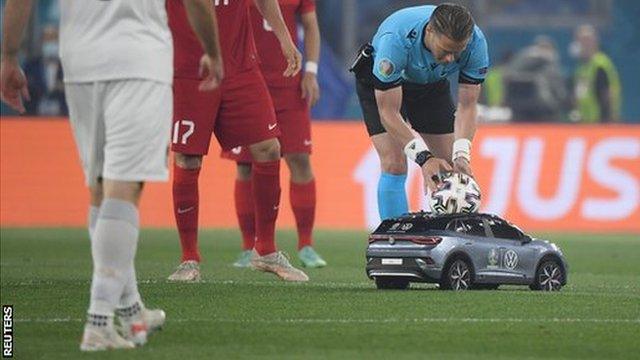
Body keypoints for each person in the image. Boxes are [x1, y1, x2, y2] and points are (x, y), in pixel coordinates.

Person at [1, 0, 222, 351]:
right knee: (123, 189)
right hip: (139, 58)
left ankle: (132, 311)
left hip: (80, 61)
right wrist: (213, 51)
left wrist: (9, 55)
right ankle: (99, 320)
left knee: (100, 190)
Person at [166, 0, 309, 282]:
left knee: (269, 148)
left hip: (241, 67)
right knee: (188, 157)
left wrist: (284, 38)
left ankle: (265, 249)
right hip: (189, 69)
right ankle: (189, 258)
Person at [351, 3, 489, 220]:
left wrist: (462, 154)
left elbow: (468, 105)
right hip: (381, 86)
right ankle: (393, 242)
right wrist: (424, 158)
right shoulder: (394, 42)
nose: (450, 59)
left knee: (449, 168)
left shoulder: (476, 43)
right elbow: (389, 113)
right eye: (445, 50)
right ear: (430, 31)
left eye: (457, 51)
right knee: (394, 164)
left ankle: (451, 243)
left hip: (430, 84)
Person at [220, 0, 326, 269]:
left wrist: (311, 72)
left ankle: (306, 245)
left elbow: (311, 26)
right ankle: (249, 247)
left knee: (300, 159)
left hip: (289, 82)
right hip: (247, 79)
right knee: (245, 165)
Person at [570, 24, 622, 123]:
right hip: (584, 123)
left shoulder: (600, 64)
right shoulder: (581, 68)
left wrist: (606, 120)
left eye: (587, 40)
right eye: (580, 41)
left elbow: (608, 96)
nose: (583, 45)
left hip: (600, 122)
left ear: (595, 42)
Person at [23, 25, 67, 116]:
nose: (51, 43)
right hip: (33, 118)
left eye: (54, 39)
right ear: (41, 42)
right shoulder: (31, 66)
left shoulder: (67, 67)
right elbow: (25, 93)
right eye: (47, 39)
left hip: (63, 119)